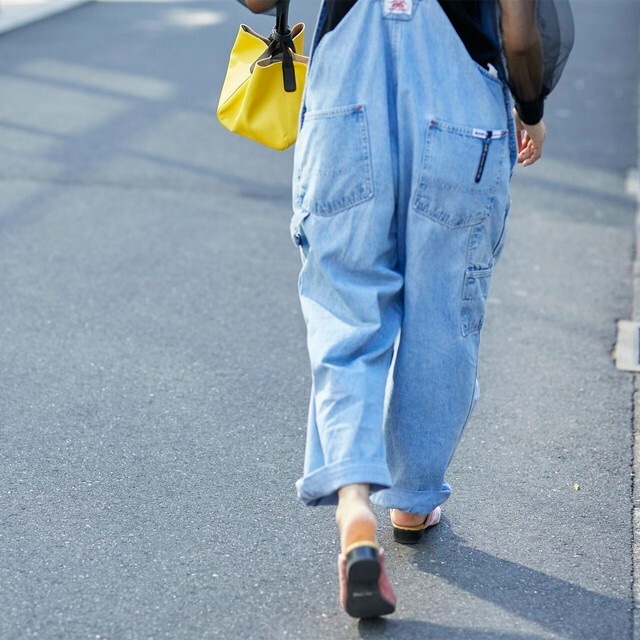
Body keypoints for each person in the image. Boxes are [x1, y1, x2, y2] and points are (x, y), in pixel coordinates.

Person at [240, 0, 551, 619]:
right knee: (444, 313)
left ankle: (355, 508)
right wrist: (533, 110)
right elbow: (518, 34)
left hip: (342, 104)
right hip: (460, 107)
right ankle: (411, 499)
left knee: (345, 308)